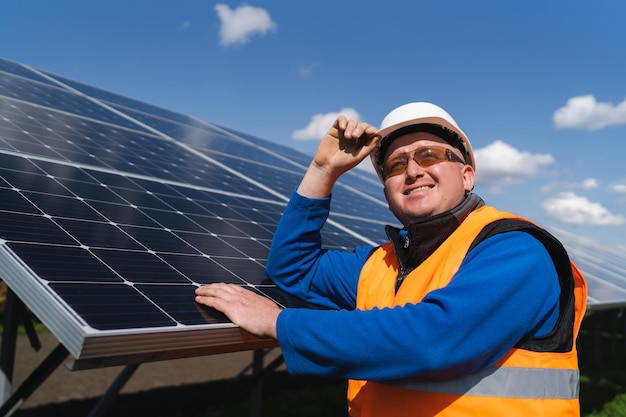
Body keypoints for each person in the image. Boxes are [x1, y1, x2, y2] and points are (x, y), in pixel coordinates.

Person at [195, 102, 588, 416]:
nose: (413, 171)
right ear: (386, 189)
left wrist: (279, 323)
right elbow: (293, 269)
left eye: (430, 155)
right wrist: (322, 171)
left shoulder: (515, 249)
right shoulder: (380, 264)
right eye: (396, 165)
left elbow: (433, 340)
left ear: (467, 175)